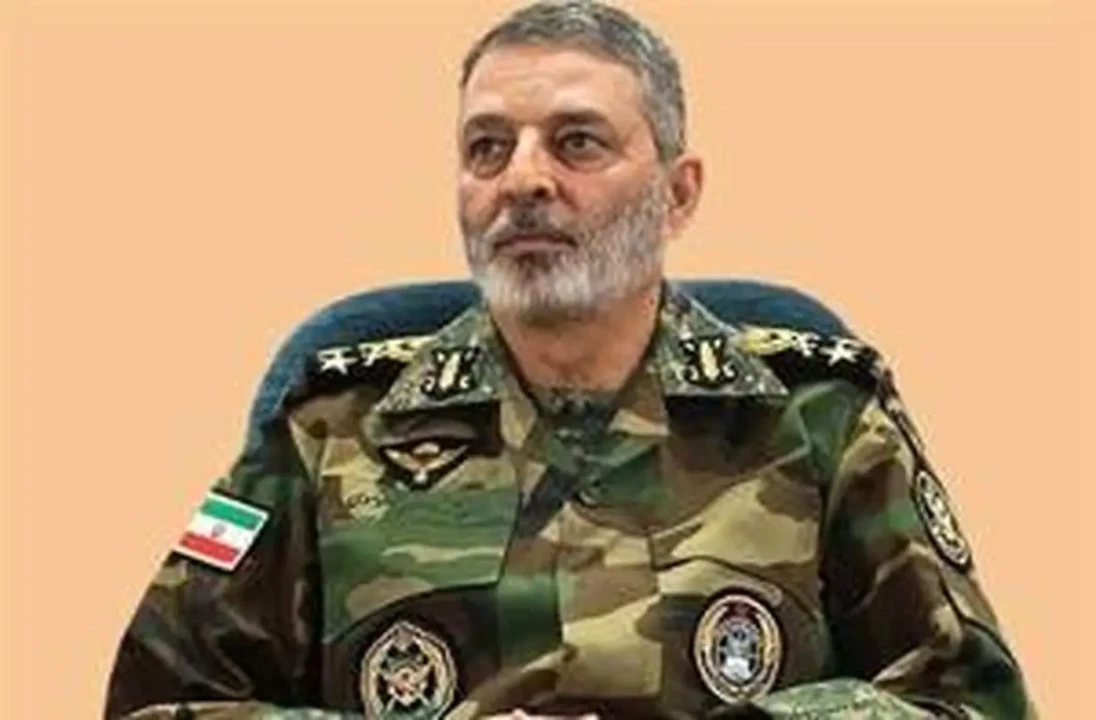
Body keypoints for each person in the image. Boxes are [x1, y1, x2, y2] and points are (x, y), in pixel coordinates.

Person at [102, 1, 1035, 718]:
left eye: (577, 142)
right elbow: (155, 703)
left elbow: (974, 700)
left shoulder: (820, 416)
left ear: (677, 194)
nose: (523, 179)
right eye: (487, 148)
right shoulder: (327, 431)